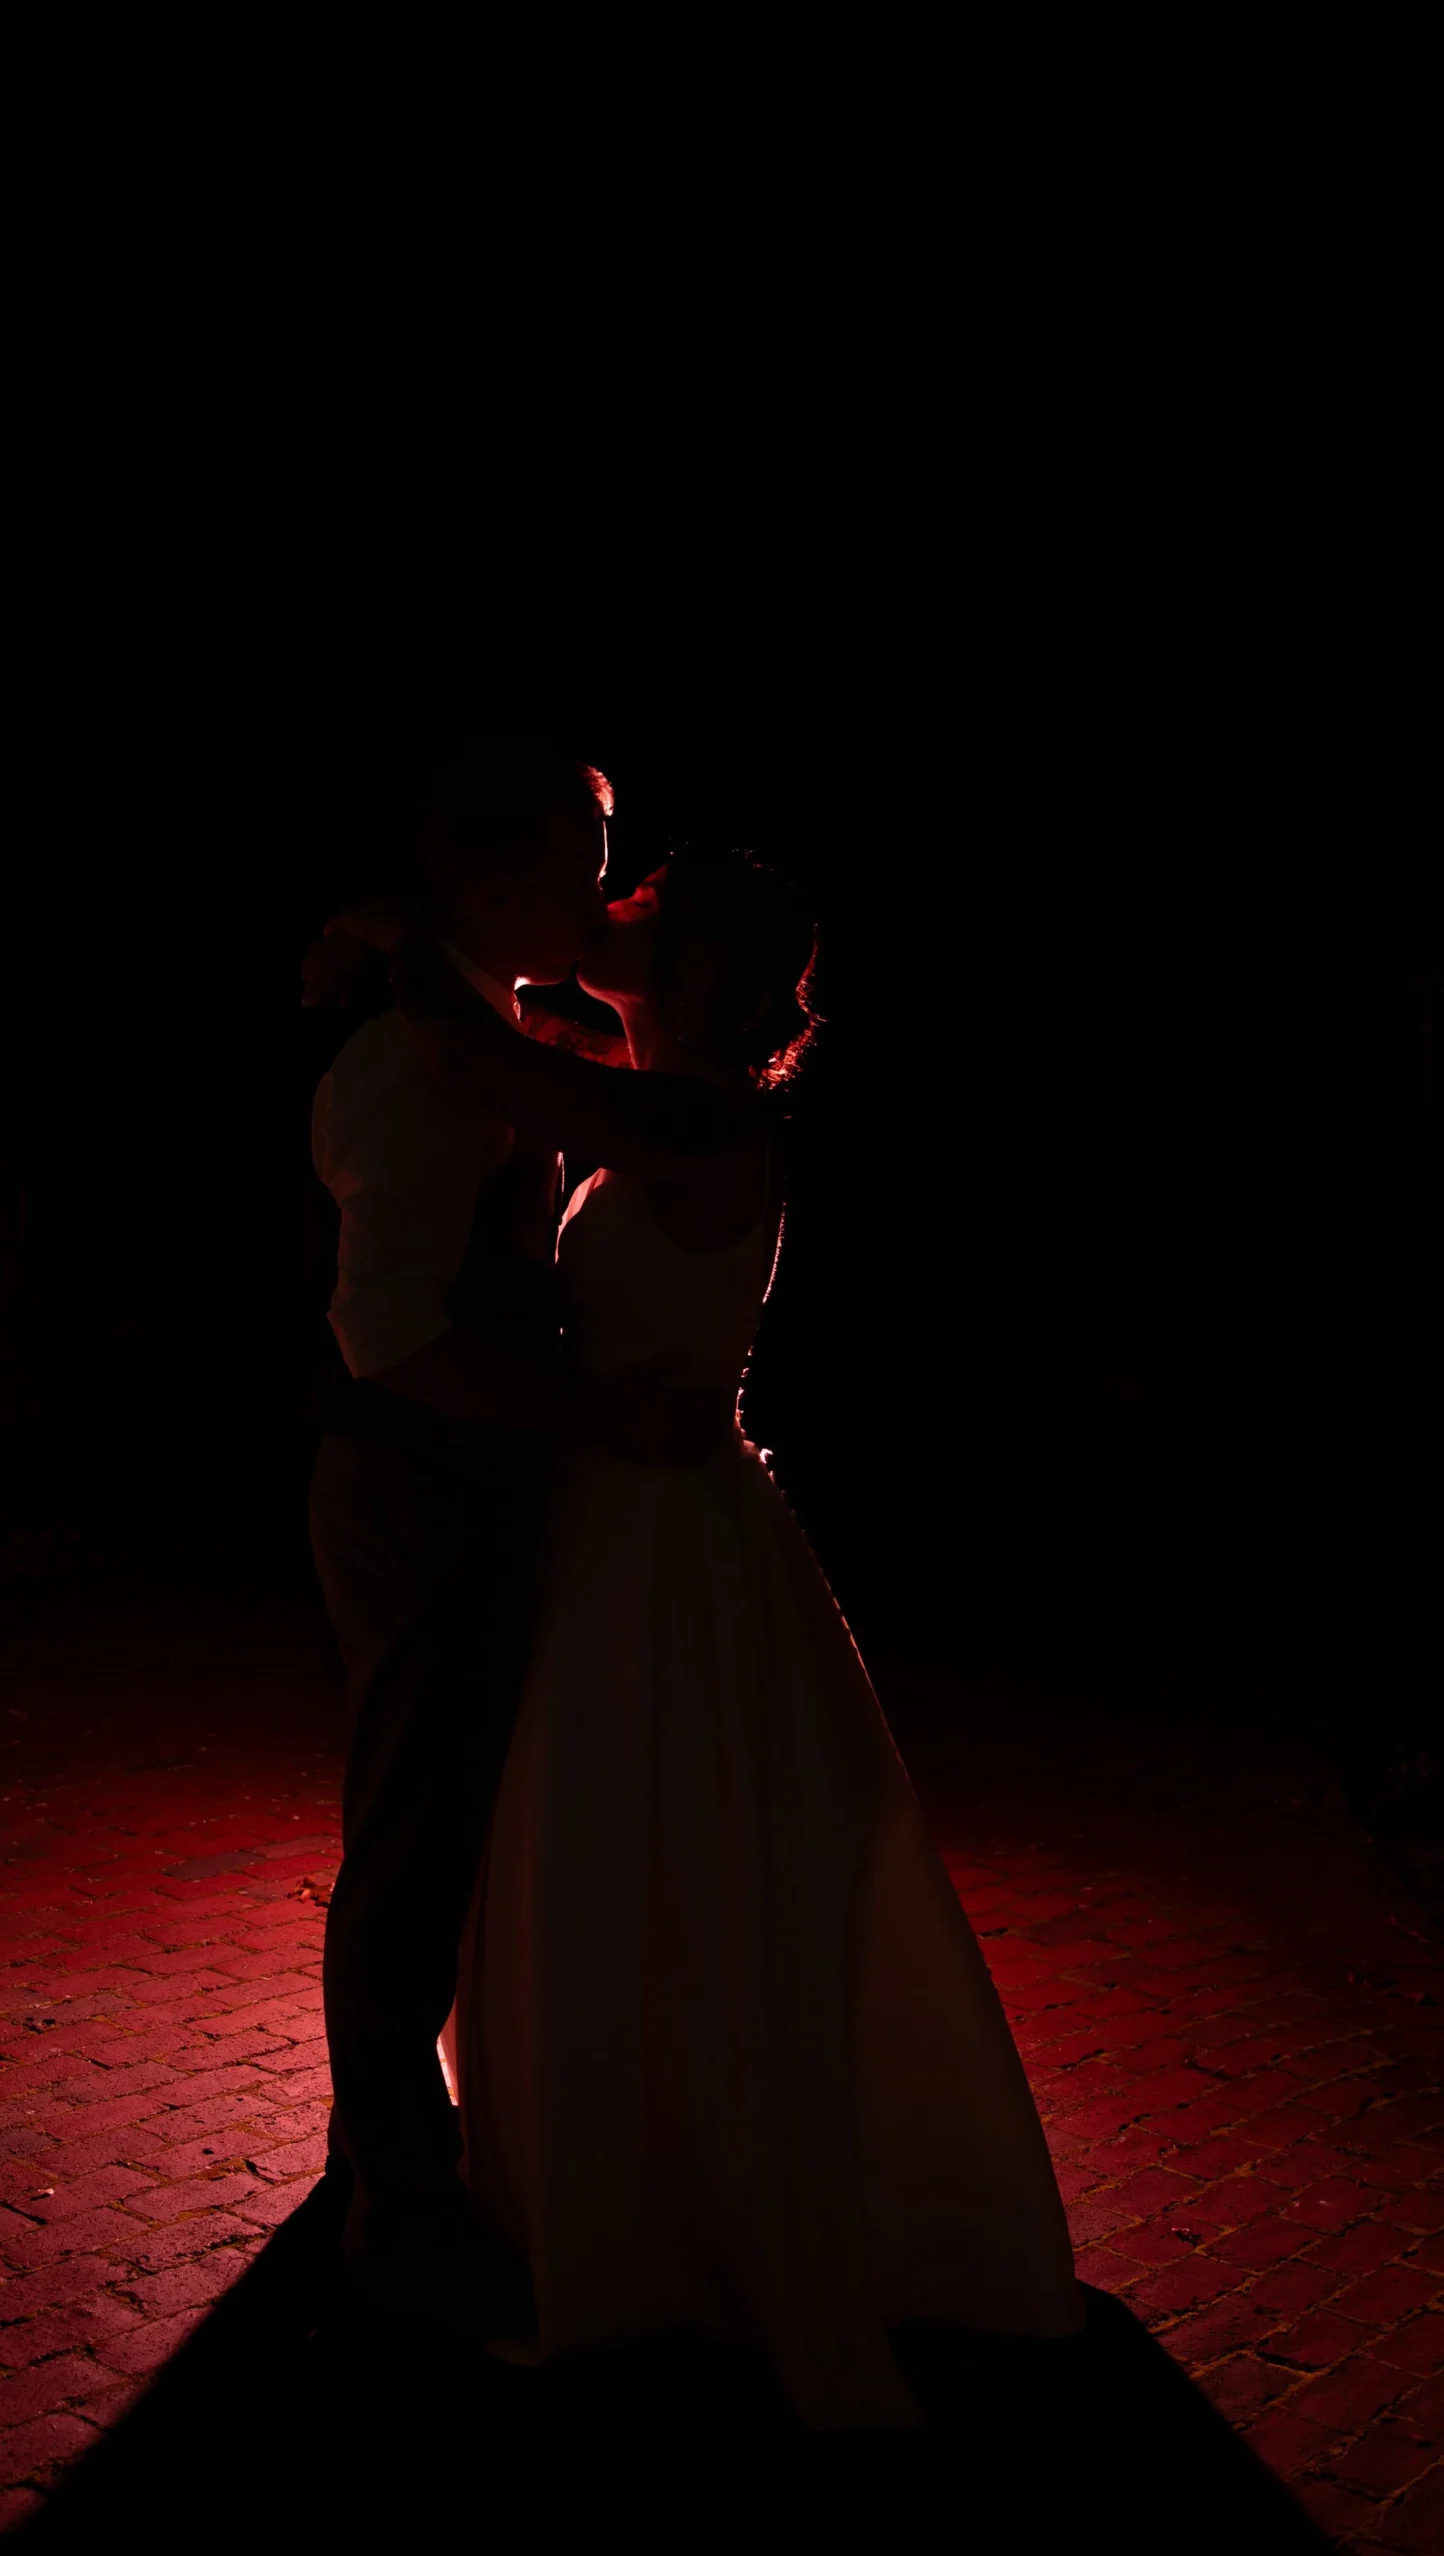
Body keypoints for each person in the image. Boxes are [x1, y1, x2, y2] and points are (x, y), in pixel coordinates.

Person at [329, 846, 1085, 2428]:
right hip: (616, 1505)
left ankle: (675, 2201)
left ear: (695, 965)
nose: (603, 900)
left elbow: (479, 1063)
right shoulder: (657, 1089)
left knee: (655, 1831)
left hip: (663, 1525)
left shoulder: (703, 1119)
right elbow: (524, 1053)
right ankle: (614, 2170)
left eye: (637, 896)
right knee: (615, 1838)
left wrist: (404, 941)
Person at [305, 735, 731, 2341]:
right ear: (495, 892)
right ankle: (394, 2194)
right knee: (411, 1841)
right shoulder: (419, 1065)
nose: (602, 899)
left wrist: (400, 943)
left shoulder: (491, 1036)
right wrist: (592, 1419)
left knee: (456, 1828)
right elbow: (387, 1337)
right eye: (581, 870)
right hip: (420, 1486)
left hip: (486, 1485)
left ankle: (410, 2155)